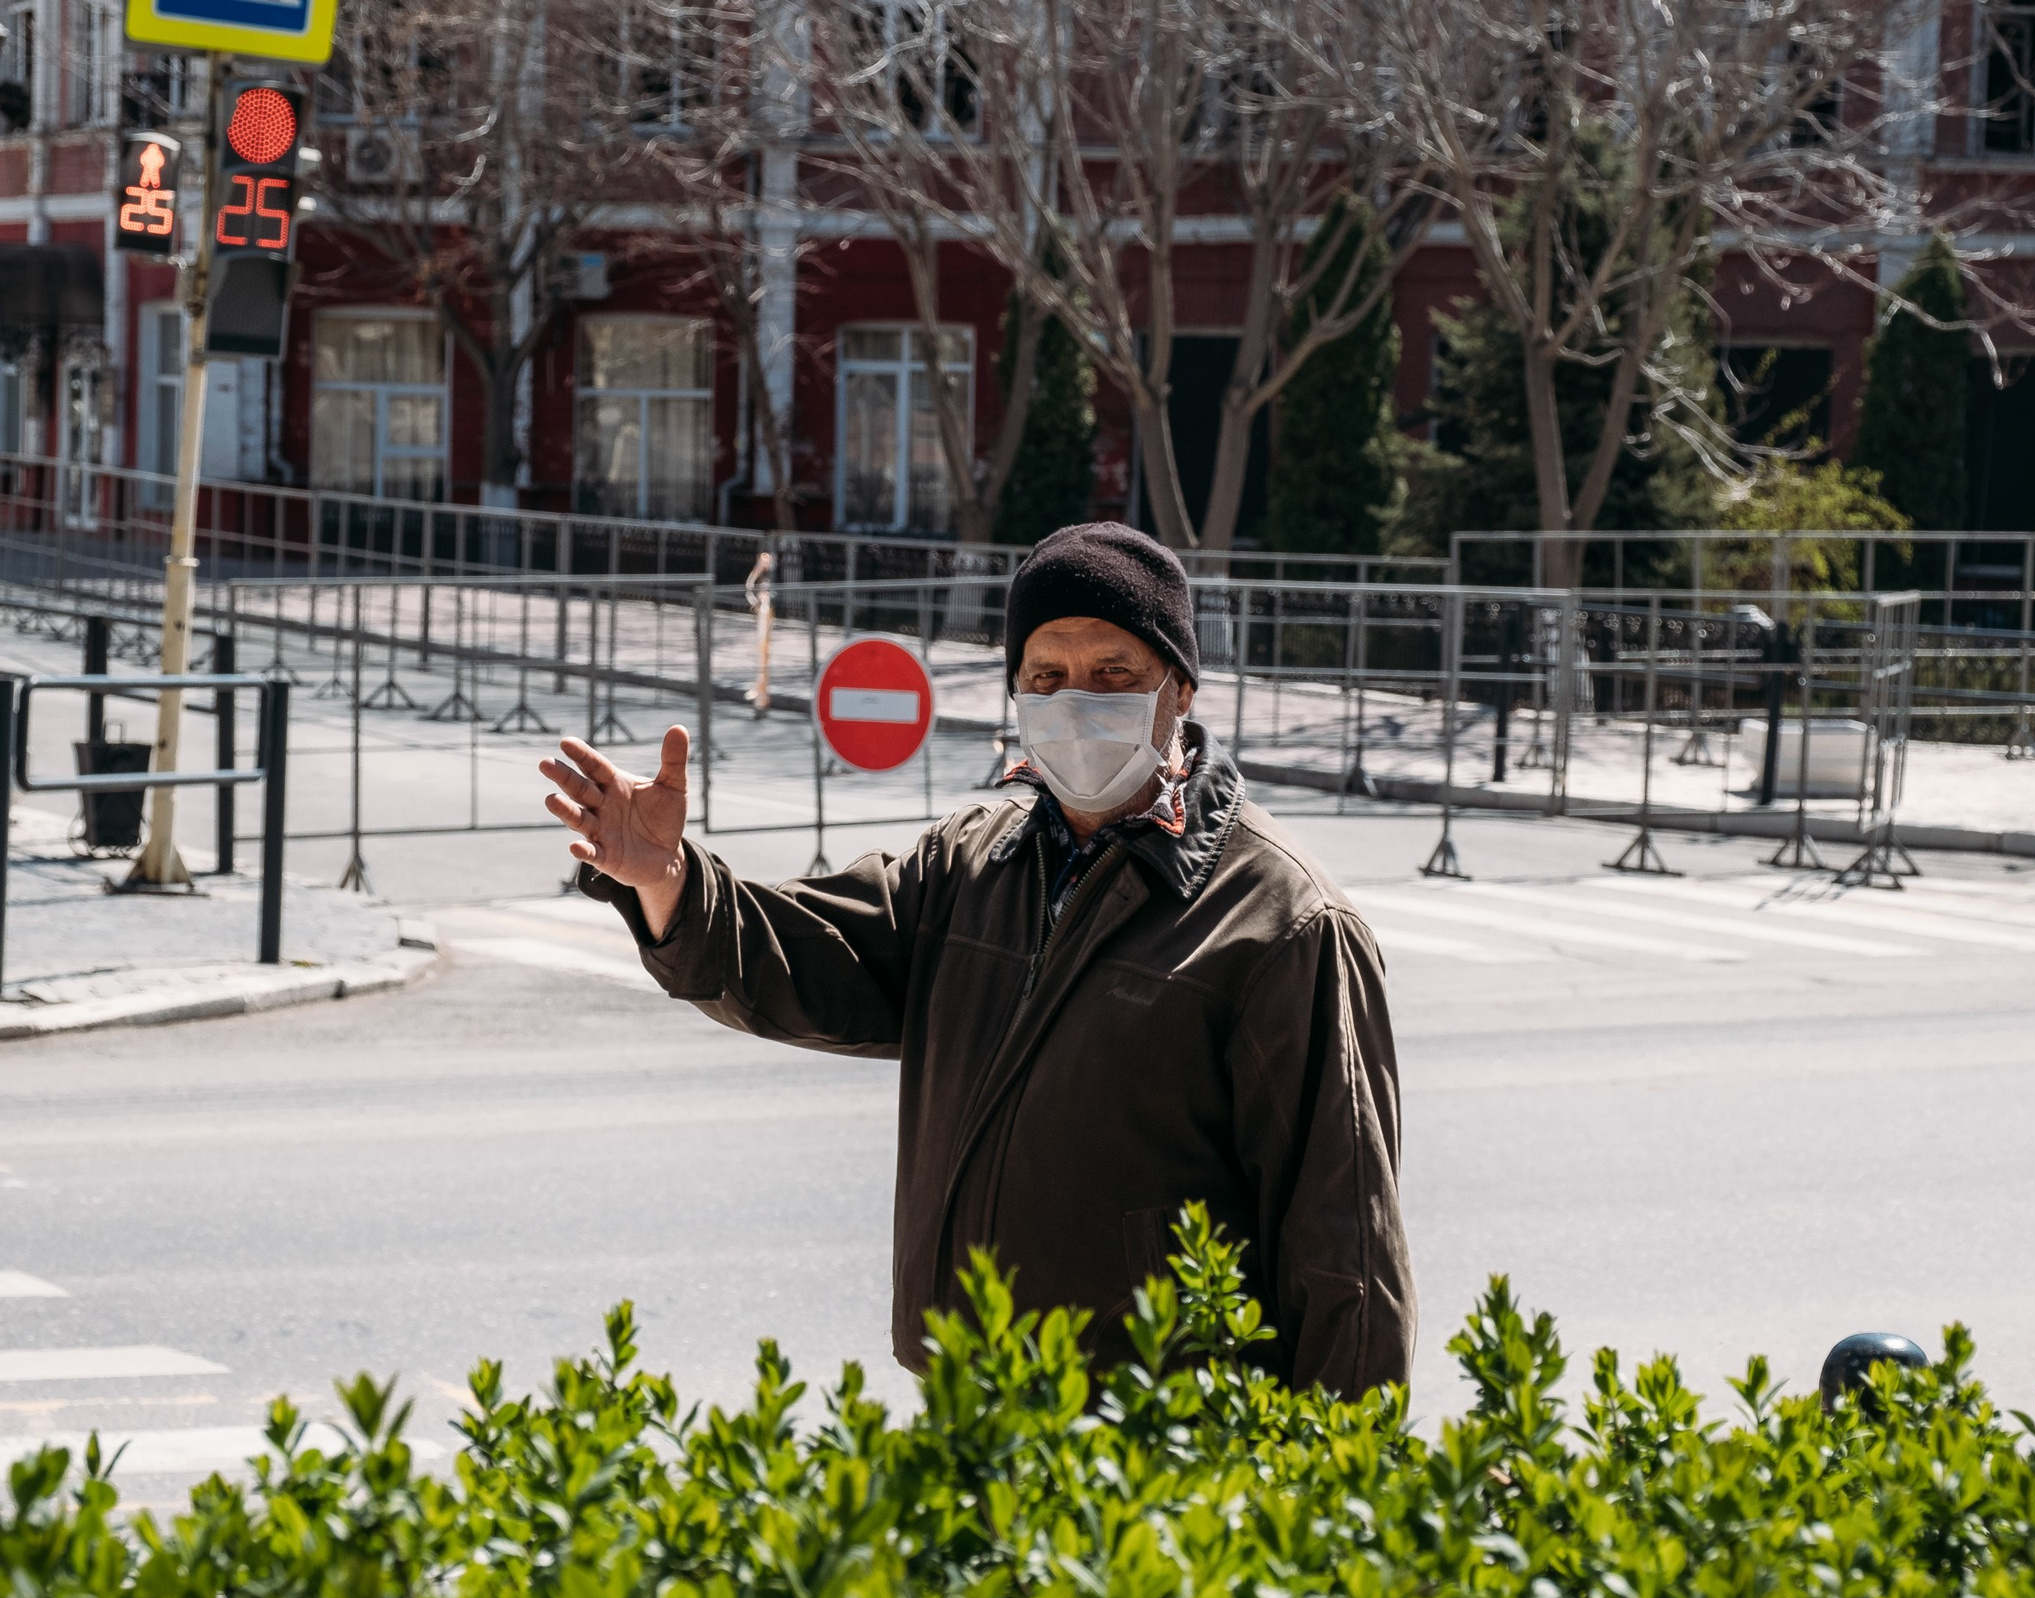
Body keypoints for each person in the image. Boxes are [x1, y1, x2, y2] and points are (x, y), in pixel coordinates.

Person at [539, 522, 1415, 1396]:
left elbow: (1346, 1254)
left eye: (1115, 672)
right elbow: (804, 958)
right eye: (1048, 676)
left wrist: (1335, 1490)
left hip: (1162, 1436)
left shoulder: (1286, 924)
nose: (1078, 699)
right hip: (976, 1403)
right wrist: (668, 879)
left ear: (1178, 688)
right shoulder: (972, 863)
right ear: (1018, 696)